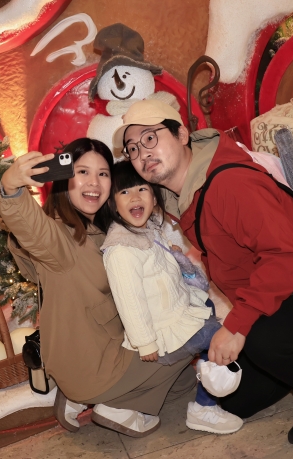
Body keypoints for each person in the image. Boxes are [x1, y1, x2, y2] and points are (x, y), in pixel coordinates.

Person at [115, 99, 293, 446]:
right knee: (235, 400)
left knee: (263, 340)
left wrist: (237, 325)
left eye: (151, 138)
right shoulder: (182, 196)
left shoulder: (228, 183)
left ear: (182, 134)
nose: (143, 154)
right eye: (133, 148)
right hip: (278, 285)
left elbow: (285, 256)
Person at [0, 138, 196, 438]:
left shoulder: (104, 229)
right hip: (93, 364)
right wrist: (10, 189)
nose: (94, 182)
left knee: (183, 385)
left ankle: (79, 397)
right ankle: (114, 406)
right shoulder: (59, 237)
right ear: (65, 178)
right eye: (82, 172)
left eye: (103, 174)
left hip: (108, 346)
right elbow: (32, 227)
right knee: (195, 332)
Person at [102, 161, 243, 435]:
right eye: (124, 192)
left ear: (154, 198)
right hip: (162, 331)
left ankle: (207, 377)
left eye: (142, 189)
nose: (135, 197)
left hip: (175, 312)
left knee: (208, 306)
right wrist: (145, 342)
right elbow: (130, 301)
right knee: (220, 337)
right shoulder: (121, 249)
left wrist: (174, 256)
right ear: (113, 204)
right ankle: (204, 407)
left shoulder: (147, 229)